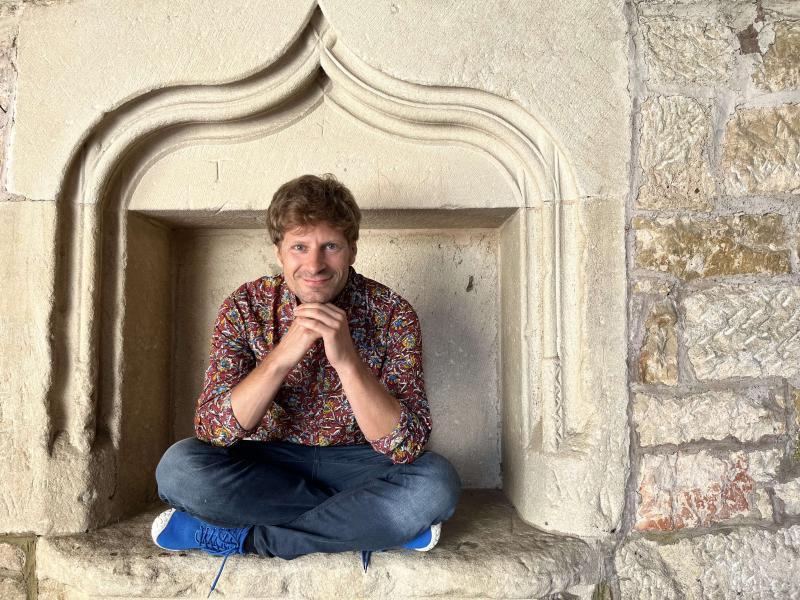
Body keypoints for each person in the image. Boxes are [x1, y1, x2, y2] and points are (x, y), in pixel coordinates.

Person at [151, 173, 461, 592]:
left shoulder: (392, 312)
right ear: (279, 251)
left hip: (361, 464)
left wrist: (347, 361)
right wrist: (283, 355)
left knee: (436, 484)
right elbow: (213, 429)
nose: (314, 265)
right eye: (300, 247)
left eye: (330, 246)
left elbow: (406, 445)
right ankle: (374, 525)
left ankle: (248, 539)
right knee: (179, 469)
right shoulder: (245, 306)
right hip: (267, 465)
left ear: (352, 249)